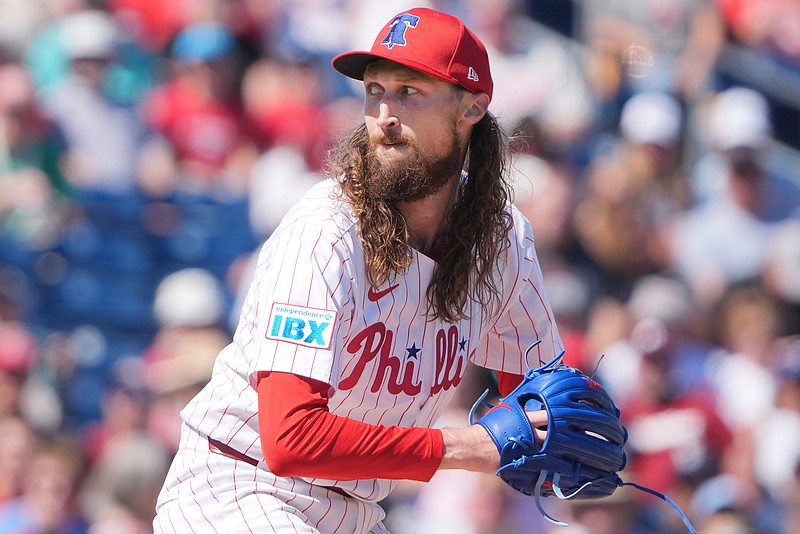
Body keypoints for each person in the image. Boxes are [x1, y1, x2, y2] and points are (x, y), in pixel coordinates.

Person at [153, 7, 562, 533]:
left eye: (409, 92)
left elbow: (541, 392)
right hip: (238, 486)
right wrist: (469, 445)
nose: (384, 115)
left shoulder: (501, 238)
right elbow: (291, 439)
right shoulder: (325, 229)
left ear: (472, 107)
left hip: (357, 511)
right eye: (374, 90)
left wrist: (567, 440)